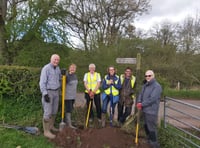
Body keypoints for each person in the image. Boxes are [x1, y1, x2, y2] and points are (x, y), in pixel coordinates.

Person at [136, 70, 162, 148]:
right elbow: (141, 94)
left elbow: (152, 99)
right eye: (146, 76)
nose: (147, 77)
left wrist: (142, 104)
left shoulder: (157, 86)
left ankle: (155, 144)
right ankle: (149, 141)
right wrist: (139, 101)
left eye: (149, 76)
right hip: (144, 110)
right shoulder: (145, 85)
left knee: (151, 128)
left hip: (151, 111)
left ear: (153, 76)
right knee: (146, 126)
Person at [39, 54, 61, 139]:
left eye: (57, 60)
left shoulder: (58, 68)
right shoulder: (46, 68)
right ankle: (46, 131)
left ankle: (51, 127)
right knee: (47, 112)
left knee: (54, 111)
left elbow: (59, 79)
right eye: (55, 59)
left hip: (56, 92)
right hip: (49, 92)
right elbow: (42, 82)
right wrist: (45, 94)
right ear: (51, 59)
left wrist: (64, 76)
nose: (56, 61)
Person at [65, 64, 78, 128]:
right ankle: (69, 124)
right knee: (68, 109)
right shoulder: (66, 76)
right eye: (71, 67)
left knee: (71, 109)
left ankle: (69, 121)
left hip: (73, 96)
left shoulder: (75, 76)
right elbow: (62, 85)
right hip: (67, 96)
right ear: (69, 68)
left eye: (74, 68)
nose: (73, 69)